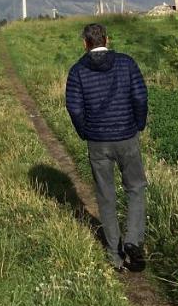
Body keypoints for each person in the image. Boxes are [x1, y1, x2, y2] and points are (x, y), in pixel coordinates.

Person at [64, 22, 149, 271]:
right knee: (135, 188)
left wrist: (85, 132)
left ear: (85, 43)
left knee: (106, 195)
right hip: (127, 136)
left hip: (97, 141)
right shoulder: (127, 63)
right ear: (107, 40)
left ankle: (115, 254)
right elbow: (140, 96)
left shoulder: (77, 71)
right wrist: (138, 123)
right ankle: (133, 240)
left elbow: (75, 107)